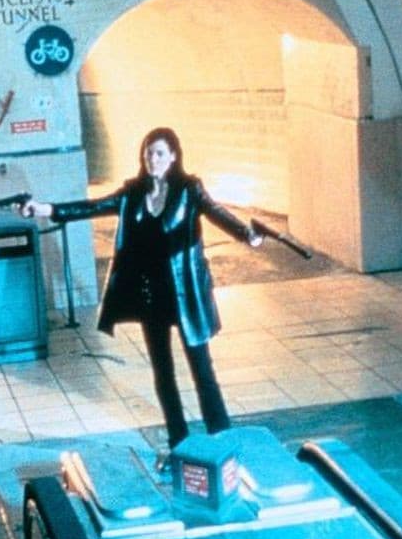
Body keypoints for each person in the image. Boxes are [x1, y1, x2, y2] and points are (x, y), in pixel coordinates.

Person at [22, 128, 261, 469]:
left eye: (159, 153)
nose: (153, 159)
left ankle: (222, 439)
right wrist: (46, 208)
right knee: (163, 373)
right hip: (151, 295)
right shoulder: (133, 192)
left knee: (202, 370)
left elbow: (216, 212)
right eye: (149, 153)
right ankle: (179, 443)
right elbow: (93, 207)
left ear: (174, 156)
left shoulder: (189, 189)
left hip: (185, 293)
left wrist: (247, 234)